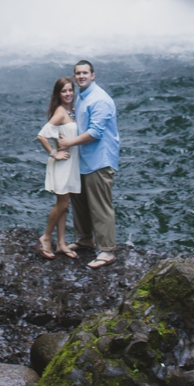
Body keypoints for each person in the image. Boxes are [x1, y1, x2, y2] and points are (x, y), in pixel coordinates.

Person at [57, 60, 119, 268]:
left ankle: (107, 250)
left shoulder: (99, 99)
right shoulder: (82, 97)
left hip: (99, 160)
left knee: (100, 206)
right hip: (83, 158)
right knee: (79, 201)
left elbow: (95, 132)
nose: (81, 76)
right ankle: (85, 240)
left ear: (93, 75)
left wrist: (68, 143)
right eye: (78, 73)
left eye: (85, 73)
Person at [35, 76, 81, 259]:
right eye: (64, 91)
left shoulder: (72, 111)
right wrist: (54, 153)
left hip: (71, 163)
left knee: (62, 205)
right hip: (63, 163)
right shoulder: (61, 112)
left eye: (70, 90)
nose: (68, 93)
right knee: (63, 203)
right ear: (58, 94)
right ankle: (46, 237)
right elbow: (42, 135)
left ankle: (61, 243)